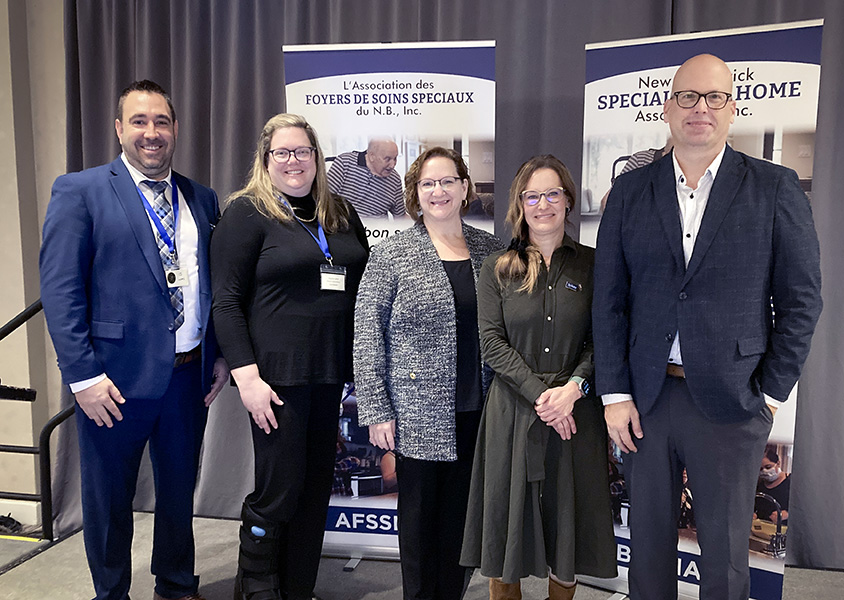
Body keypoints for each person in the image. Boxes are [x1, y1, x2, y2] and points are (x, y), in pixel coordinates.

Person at [593, 53, 822, 600]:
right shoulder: (629, 191)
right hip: (645, 401)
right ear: (668, 108)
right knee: (646, 551)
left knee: (723, 558)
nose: (701, 108)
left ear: (733, 109)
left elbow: (802, 300)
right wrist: (615, 393)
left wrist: (768, 393)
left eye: (715, 97)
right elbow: (609, 301)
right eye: (689, 97)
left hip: (732, 401)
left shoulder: (775, 187)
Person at [39, 80, 228, 600]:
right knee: (108, 501)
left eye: (161, 122)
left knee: (176, 495)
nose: (152, 133)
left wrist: (218, 355)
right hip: (111, 382)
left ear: (174, 129)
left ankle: (174, 584)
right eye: (140, 121)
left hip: (188, 376)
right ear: (119, 128)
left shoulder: (201, 197)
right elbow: (60, 291)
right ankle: (112, 594)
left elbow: (210, 283)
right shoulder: (80, 190)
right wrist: (82, 377)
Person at [211, 114, 369, 600]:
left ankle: (298, 587)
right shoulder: (247, 213)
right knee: (280, 488)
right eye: (282, 152)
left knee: (315, 487)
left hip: (330, 374)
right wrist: (247, 378)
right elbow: (226, 300)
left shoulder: (338, 212)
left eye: (303, 151)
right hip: (275, 379)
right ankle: (256, 585)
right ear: (265, 159)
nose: (294, 161)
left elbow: (362, 281)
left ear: (317, 157)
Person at [461, 155, 617, 600]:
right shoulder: (496, 267)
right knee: (505, 526)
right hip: (512, 412)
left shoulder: (594, 265)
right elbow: (491, 344)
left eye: (552, 194)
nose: (542, 204)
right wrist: (542, 396)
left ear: (568, 201)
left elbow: (603, 338)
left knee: (569, 524)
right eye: (532, 196)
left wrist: (573, 388)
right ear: (520, 204)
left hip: (576, 412)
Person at [354, 146, 503, 600]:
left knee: (462, 522)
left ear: (464, 188)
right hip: (417, 415)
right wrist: (377, 409)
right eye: (427, 183)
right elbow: (366, 335)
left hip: (480, 411)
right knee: (419, 525)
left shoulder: (490, 250)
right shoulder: (392, 255)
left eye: (447, 181)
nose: (438, 191)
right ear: (414, 194)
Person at [326, 138, 405, 217]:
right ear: (371, 156)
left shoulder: (395, 179)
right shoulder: (345, 163)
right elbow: (323, 198)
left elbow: (400, 217)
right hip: (344, 225)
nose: (393, 165)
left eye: (395, 158)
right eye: (387, 159)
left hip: (377, 228)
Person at [755, 445, 791, 524]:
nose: (764, 471)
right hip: (761, 531)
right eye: (760, 469)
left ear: (778, 463)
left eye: (768, 467)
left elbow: (802, 509)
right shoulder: (759, 486)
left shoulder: (791, 483)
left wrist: (786, 514)